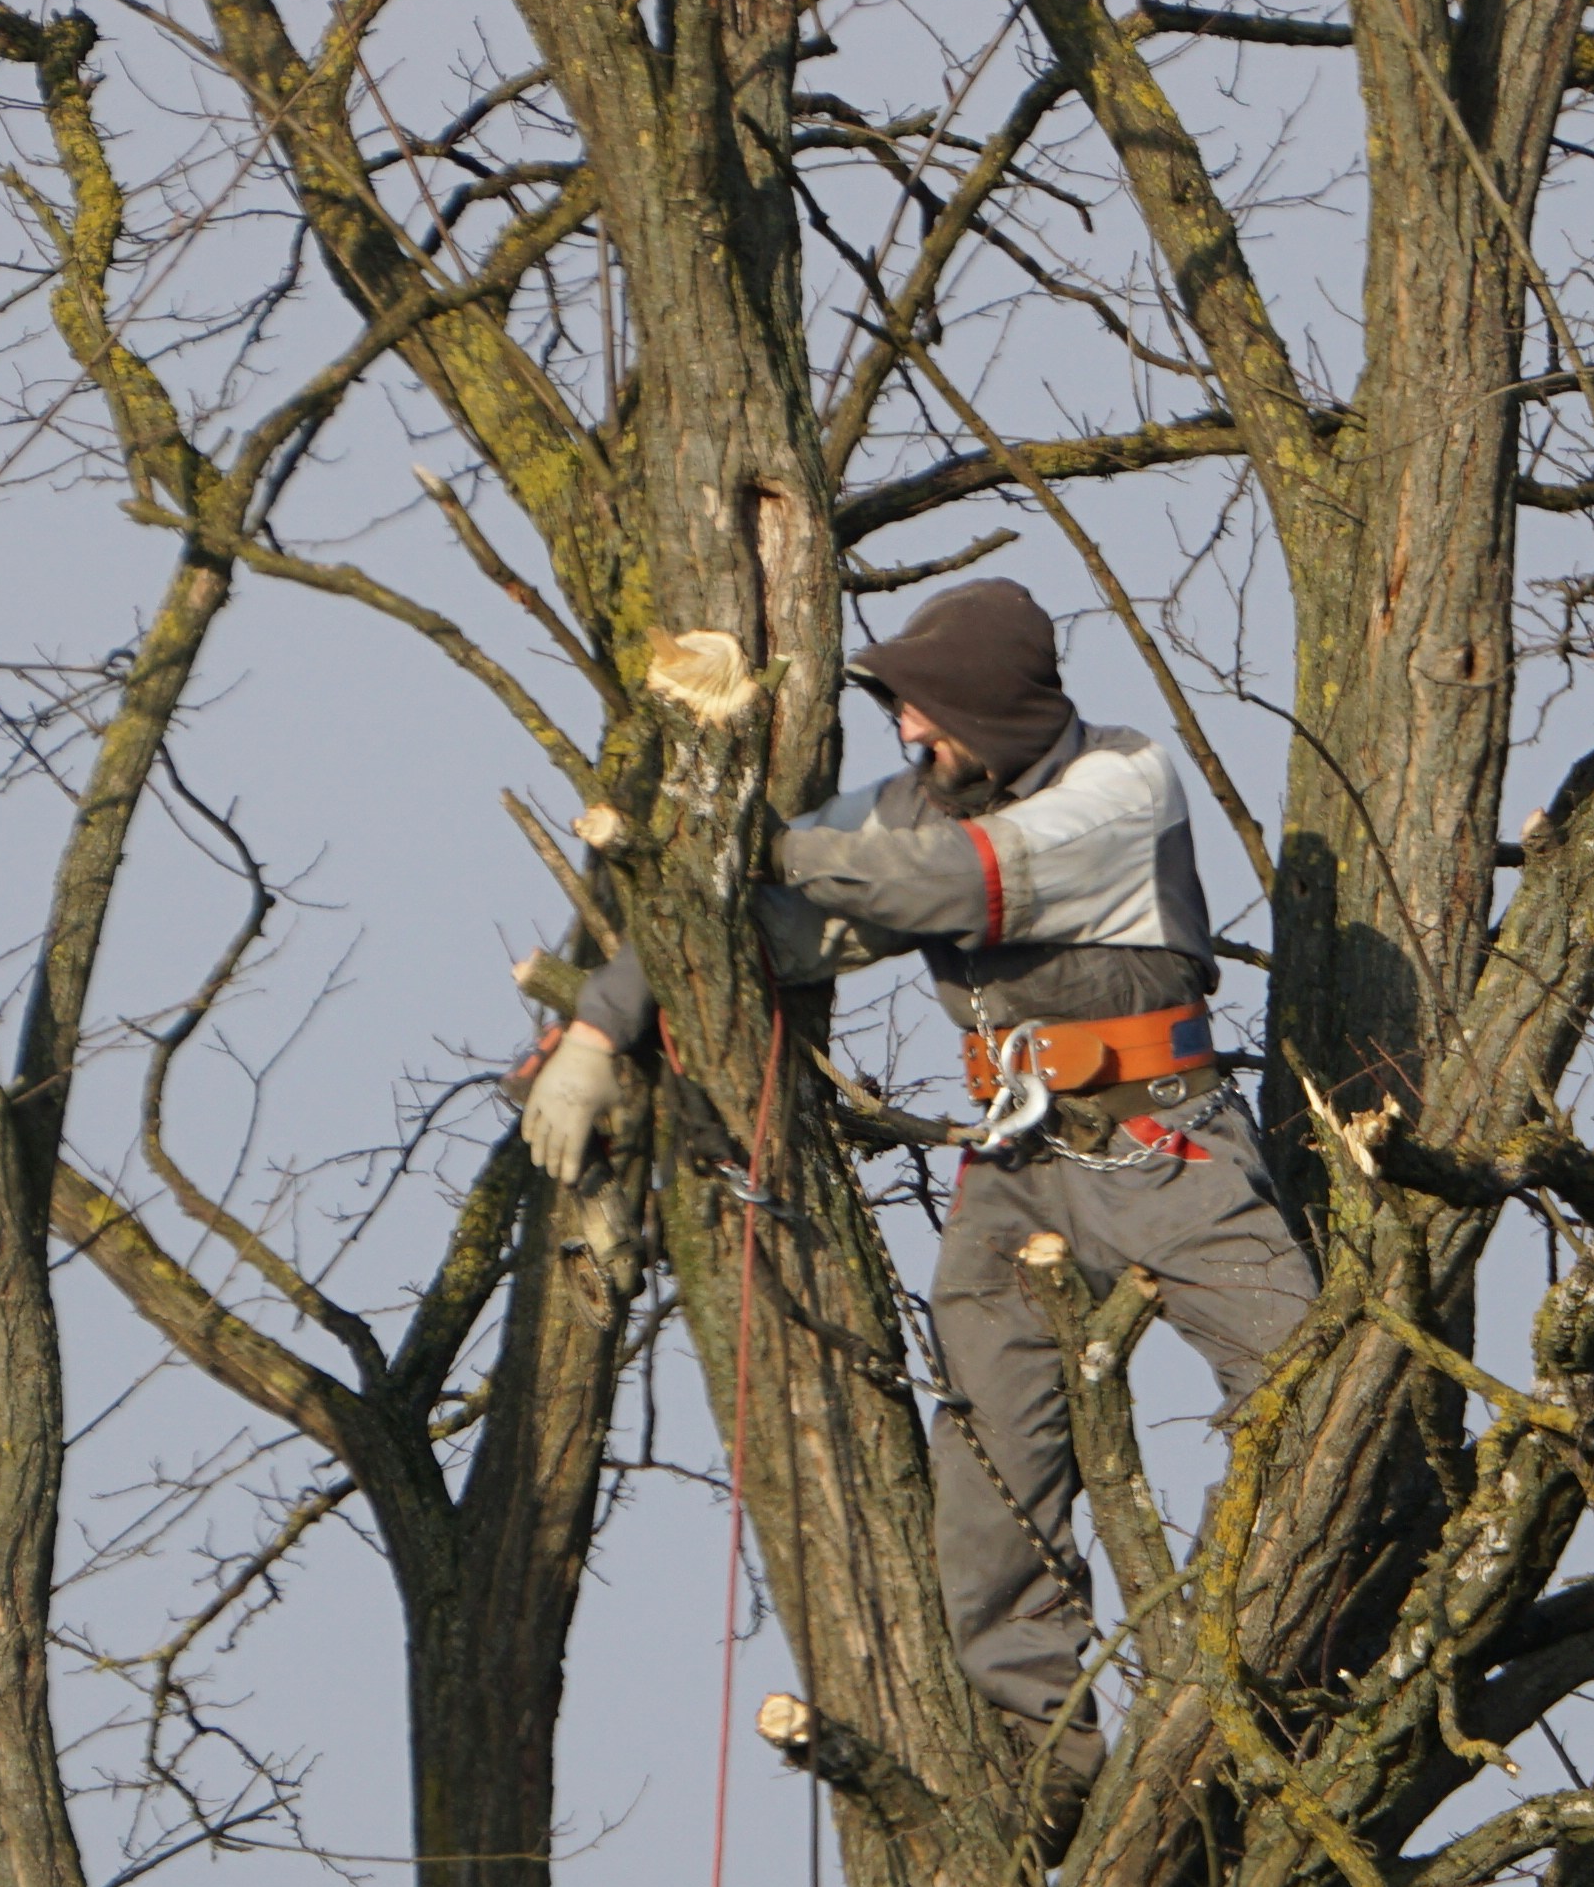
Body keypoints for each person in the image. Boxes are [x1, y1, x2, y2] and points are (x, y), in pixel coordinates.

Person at [512, 581, 1317, 1813]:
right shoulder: (917, 804)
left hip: (1171, 1148)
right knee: (992, 1457)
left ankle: (1269, 1684)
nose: (908, 736)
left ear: (994, 706)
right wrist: (597, 1029)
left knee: (1314, 1387)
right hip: (1019, 1168)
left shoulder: (1121, 782)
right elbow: (750, 920)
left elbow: (946, 884)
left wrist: (758, 834)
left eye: (927, 712)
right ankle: (1043, 1765)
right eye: (899, 712)